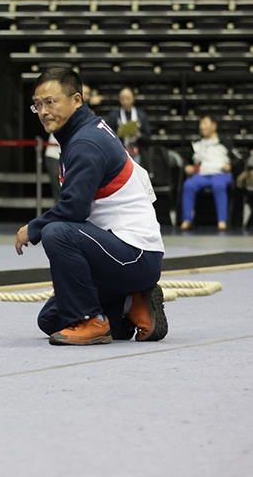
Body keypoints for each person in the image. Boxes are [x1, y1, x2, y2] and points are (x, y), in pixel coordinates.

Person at [14, 65, 167, 346]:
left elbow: (74, 210)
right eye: (38, 104)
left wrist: (32, 229)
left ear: (76, 99)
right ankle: (130, 303)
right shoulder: (83, 131)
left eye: (51, 102)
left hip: (135, 255)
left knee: (55, 232)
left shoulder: (85, 142)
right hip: (119, 251)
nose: (44, 111)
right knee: (50, 320)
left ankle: (92, 321)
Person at [180, 115, 233, 231]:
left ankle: (222, 221)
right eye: (201, 124)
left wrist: (230, 165)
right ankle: (187, 220)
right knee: (188, 185)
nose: (202, 127)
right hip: (202, 174)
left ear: (214, 126)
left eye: (204, 123)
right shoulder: (196, 144)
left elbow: (237, 159)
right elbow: (186, 160)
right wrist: (187, 167)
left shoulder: (225, 142)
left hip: (220, 174)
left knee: (219, 186)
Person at [105, 87, 150, 162]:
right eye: (122, 98)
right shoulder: (114, 116)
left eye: (128, 98)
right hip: (120, 151)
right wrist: (119, 134)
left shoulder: (141, 116)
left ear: (133, 98)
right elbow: (108, 136)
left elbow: (148, 137)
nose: (125, 101)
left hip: (138, 151)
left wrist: (139, 135)